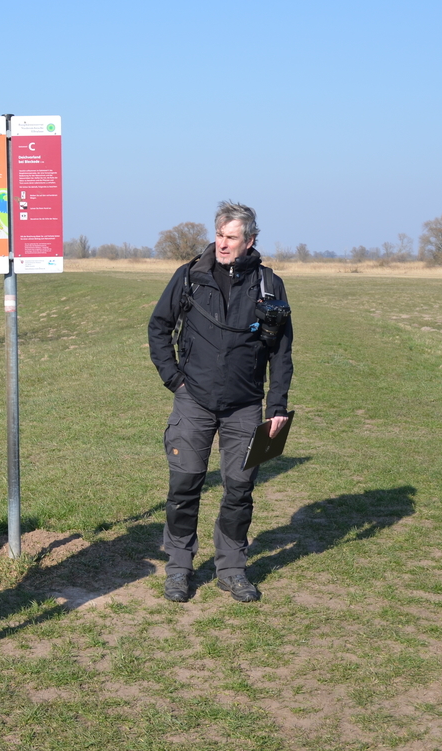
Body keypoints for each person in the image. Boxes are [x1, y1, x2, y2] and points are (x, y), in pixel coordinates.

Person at [147, 202, 293, 603]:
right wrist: (174, 378)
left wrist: (277, 407)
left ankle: (231, 569)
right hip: (193, 400)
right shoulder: (189, 276)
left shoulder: (269, 284)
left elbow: (282, 352)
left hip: (245, 404)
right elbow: (159, 327)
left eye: (231, 237)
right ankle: (179, 568)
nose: (223, 244)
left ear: (250, 241)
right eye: (219, 235)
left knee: (240, 489)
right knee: (185, 484)